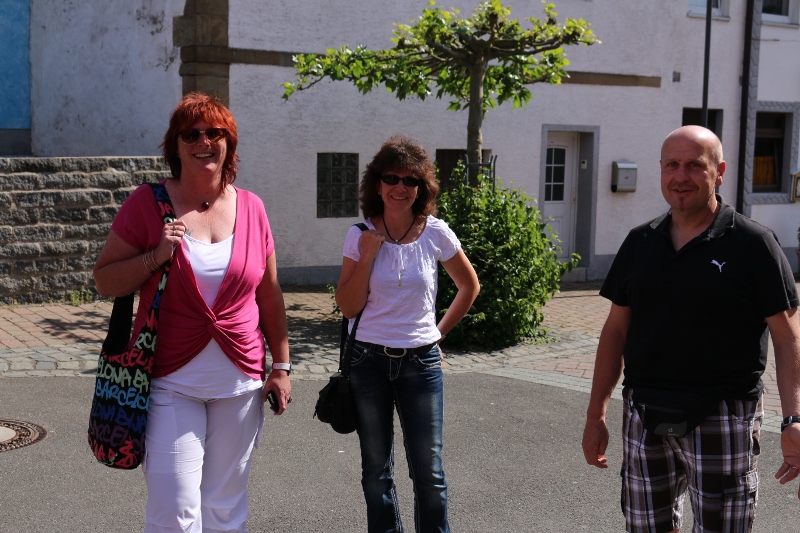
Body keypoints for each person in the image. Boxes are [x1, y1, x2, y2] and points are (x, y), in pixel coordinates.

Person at [581, 125, 800, 532]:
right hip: (644, 413)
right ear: (661, 170)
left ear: (720, 172)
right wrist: (596, 414)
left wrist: (794, 420)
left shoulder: (753, 244)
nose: (681, 176)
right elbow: (615, 332)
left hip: (723, 413)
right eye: (672, 165)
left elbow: (787, 338)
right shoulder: (640, 242)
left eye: (695, 165)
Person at [93, 92, 291, 532]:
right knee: (175, 511)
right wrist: (154, 257)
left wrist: (281, 366)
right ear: (176, 146)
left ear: (229, 143)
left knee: (225, 508)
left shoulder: (253, 208)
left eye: (215, 133)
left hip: (240, 383)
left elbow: (270, 294)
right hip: (170, 381)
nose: (204, 141)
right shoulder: (147, 204)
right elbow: (105, 280)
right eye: (192, 134)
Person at [335, 135, 480, 532]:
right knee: (376, 471)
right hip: (368, 362)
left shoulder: (435, 233)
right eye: (392, 177)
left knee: (429, 472)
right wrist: (368, 254)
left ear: (422, 187)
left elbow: (469, 286)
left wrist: (437, 333)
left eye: (410, 180)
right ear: (377, 183)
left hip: (421, 363)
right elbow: (348, 306)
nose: (400, 187)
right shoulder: (359, 234)